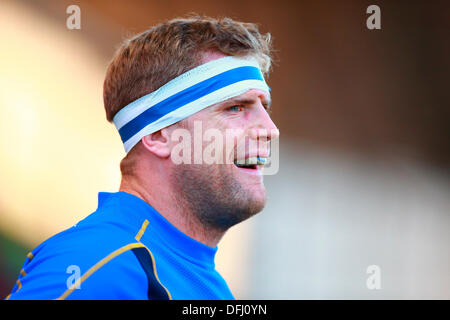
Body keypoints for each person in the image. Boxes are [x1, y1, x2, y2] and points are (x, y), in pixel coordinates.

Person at [6, 15, 279, 300]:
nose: (271, 130)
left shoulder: (205, 282)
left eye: (264, 107)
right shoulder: (98, 260)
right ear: (159, 135)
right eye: (235, 107)